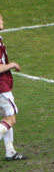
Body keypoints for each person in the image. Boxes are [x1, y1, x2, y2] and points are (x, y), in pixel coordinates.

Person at [0, 13, 25, 162]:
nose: (3, 21)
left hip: (3, 85)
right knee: (10, 119)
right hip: (1, 87)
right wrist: (12, 64)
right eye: (0, 19)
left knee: (6, 117)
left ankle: (10, 152)